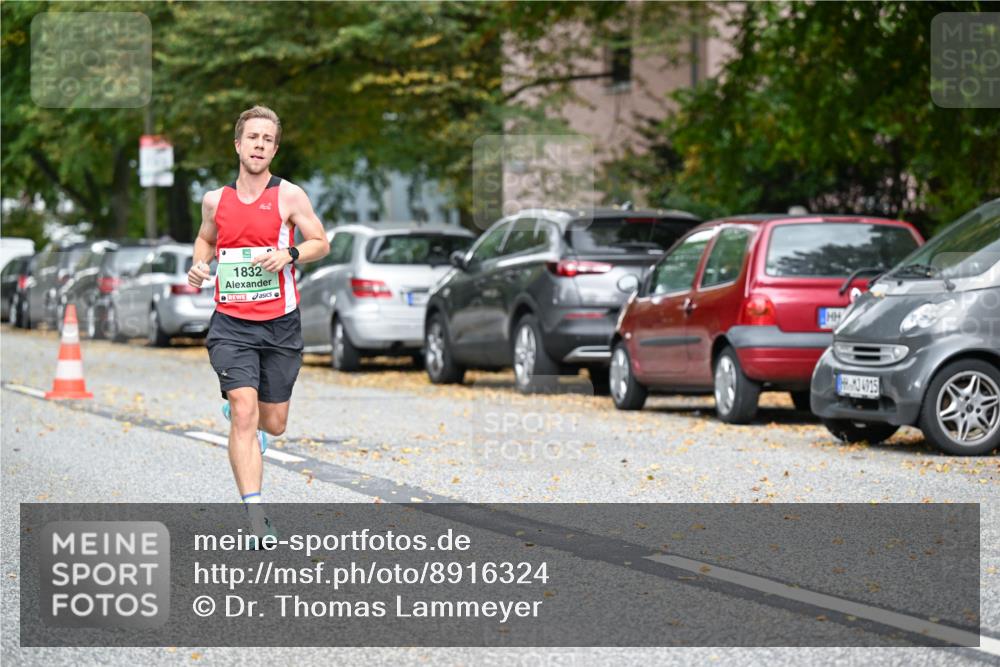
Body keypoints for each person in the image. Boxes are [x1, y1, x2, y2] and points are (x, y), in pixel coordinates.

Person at [187, 105, 329, 537]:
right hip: (231, 324)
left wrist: (289, 254)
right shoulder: (216, 200)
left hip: (280, 323)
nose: (260, 145)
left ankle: (247, 424)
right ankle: (254, 518)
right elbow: (205, 239)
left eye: (268, 139)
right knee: (245, 411)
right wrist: (198, 265)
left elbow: (320, 242)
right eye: (253, 137)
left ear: (274, 148)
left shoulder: (289, 196)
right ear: (238, 144)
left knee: (274, 423)